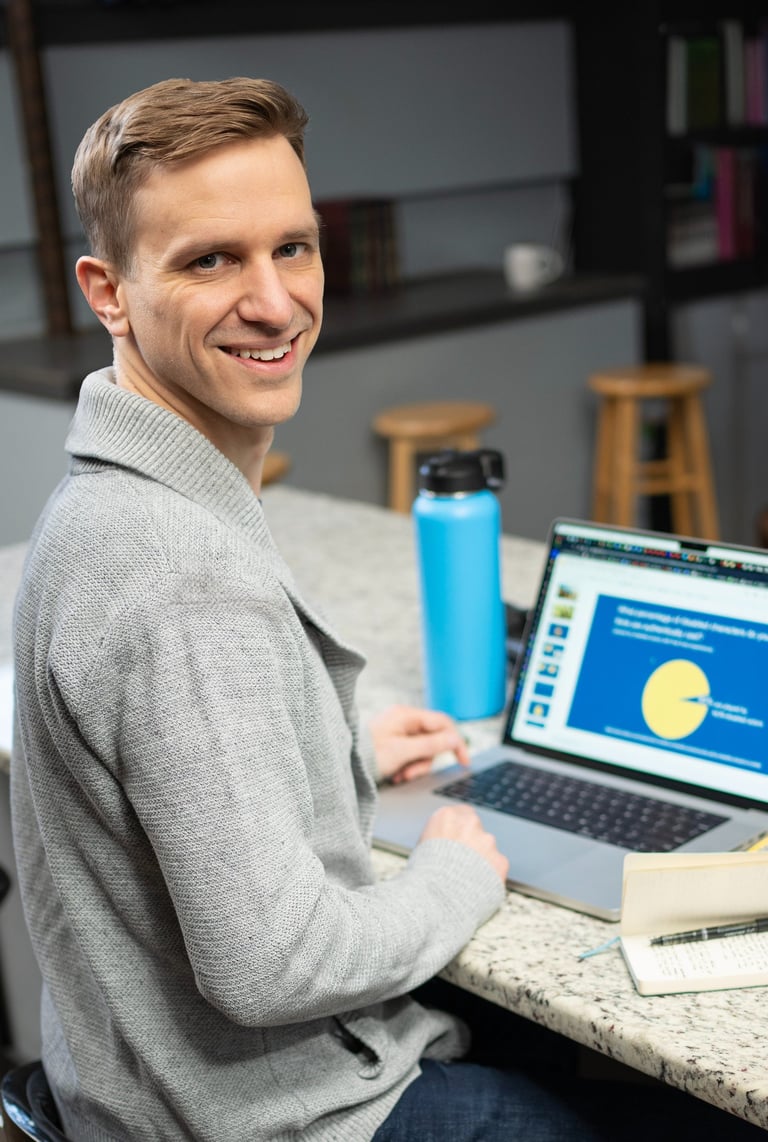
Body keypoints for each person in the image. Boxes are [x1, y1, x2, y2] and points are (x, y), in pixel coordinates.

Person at [10, 77, 765, 1142]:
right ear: (109, 290)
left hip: (148, 1091)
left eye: (294, 246)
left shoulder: (110, 502)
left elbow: (162, 734)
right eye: (209, 259)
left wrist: (321, 737)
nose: (275, 302)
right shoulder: (178, 571)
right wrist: (459, 871)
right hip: (280, 1118)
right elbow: (272, 962)